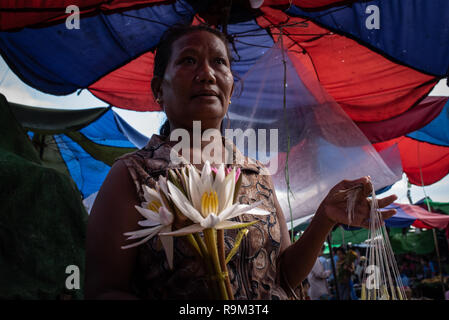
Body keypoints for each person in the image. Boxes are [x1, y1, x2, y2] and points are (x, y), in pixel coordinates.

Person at [84, 24, 398, 300]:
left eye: (218, 62)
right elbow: (104, 290)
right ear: (158, 90)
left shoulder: (256, 174)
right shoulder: (133, 175)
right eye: (188, 60)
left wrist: (324, 219)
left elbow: (284, 276)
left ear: (231, 88)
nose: (206, 74)